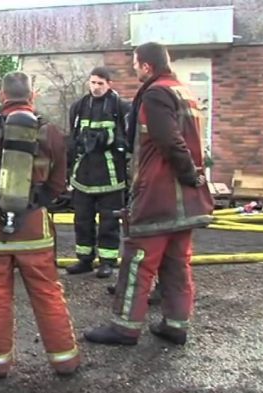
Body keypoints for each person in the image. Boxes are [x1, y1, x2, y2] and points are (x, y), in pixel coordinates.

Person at [84, 42, 214, 346]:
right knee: (176, 263)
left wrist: (187, 174)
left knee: (138, 261)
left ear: (146, 66)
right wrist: (194, 179)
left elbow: (169, 141)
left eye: (135, 62)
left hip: (159, 195)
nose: (133, 67)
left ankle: (125, 328)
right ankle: (176, 324)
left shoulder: (156, 94)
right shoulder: (182, 90)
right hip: (184, 201)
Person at [0, 71, 80, 378]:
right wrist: (34, 203)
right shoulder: (51, 133)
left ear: (1, 97)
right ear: (34, 95)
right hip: (35, 231)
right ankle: (65, 361)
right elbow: (58, 184)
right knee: (47, 292)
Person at [65, 67, 130, 279]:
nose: (96, 87)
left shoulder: (120, 107)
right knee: (82, 219)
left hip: (110, 174)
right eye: (93, 82)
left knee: (109, 221)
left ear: (109, 84)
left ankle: (107, 262)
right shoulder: (79, 107)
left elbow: (127, 140)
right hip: (83, 174)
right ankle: (84, 259)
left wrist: (107, 140)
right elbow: (73, 139)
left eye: (100, 83)